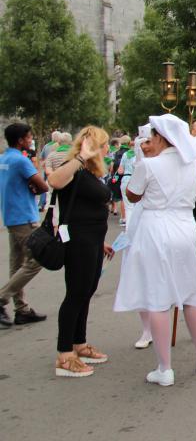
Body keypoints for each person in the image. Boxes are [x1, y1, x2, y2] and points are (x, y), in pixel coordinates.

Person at [115, 114, 196, 386]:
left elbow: (132, 194)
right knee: (192, 295)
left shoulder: (149, 165)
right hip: (185, 228)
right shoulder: (192, 165)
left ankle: (165, 368)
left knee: (159, 298)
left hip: (156, 228)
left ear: (161, 138)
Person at [46, 126, 113, 376]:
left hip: (92, 240)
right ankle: (64, 355)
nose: (107, 148)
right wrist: (81, 157)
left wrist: (102, 241)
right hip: (78, 241)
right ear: (94, 146)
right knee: (76, 293)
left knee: (86, 291)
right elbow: (53, 181)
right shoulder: (74, 166)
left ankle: (79, 343)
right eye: (104, 144)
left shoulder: (89, 172)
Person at [0, 122, 50, 328]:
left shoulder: (4, 158)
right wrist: (36, 189)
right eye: (29, 137)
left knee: (17, 264)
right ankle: (2, 298)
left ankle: (22, 309)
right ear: (21, 140)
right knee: (35, 261)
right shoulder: (21, 161)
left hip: (11, 216)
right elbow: (43, 185)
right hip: (25, 216)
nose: (31, 140)